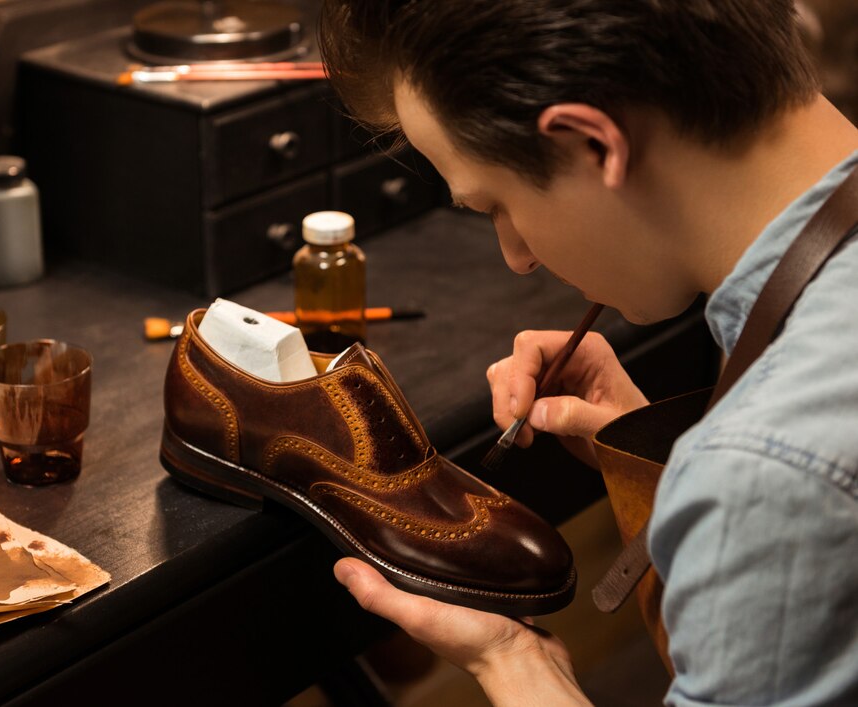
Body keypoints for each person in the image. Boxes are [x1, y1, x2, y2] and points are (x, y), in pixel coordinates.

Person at [318, 1, 858, 704]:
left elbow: (783, 482)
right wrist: (679, 470)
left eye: (493, 204)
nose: (515, 256)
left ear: (592, 145)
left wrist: (514, 664)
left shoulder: (770, 471)